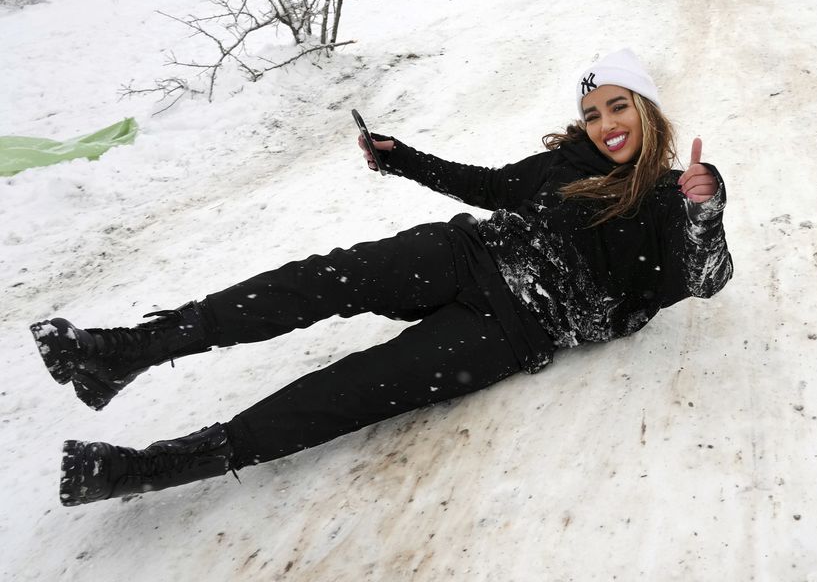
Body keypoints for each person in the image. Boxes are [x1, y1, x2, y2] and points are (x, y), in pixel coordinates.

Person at [32, 49, 734, 507]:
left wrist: (705, 209)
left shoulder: (676, 196)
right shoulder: (567, 163)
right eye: (592, 112)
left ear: (647, 112)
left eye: (619, 107)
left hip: (512, 329)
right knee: (315, 281)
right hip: (467, 254)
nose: (606, 124)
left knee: (348, 392)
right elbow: (487, 185)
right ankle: (119, 351)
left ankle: (139, 469)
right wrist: (402, 158)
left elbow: (706, 280)